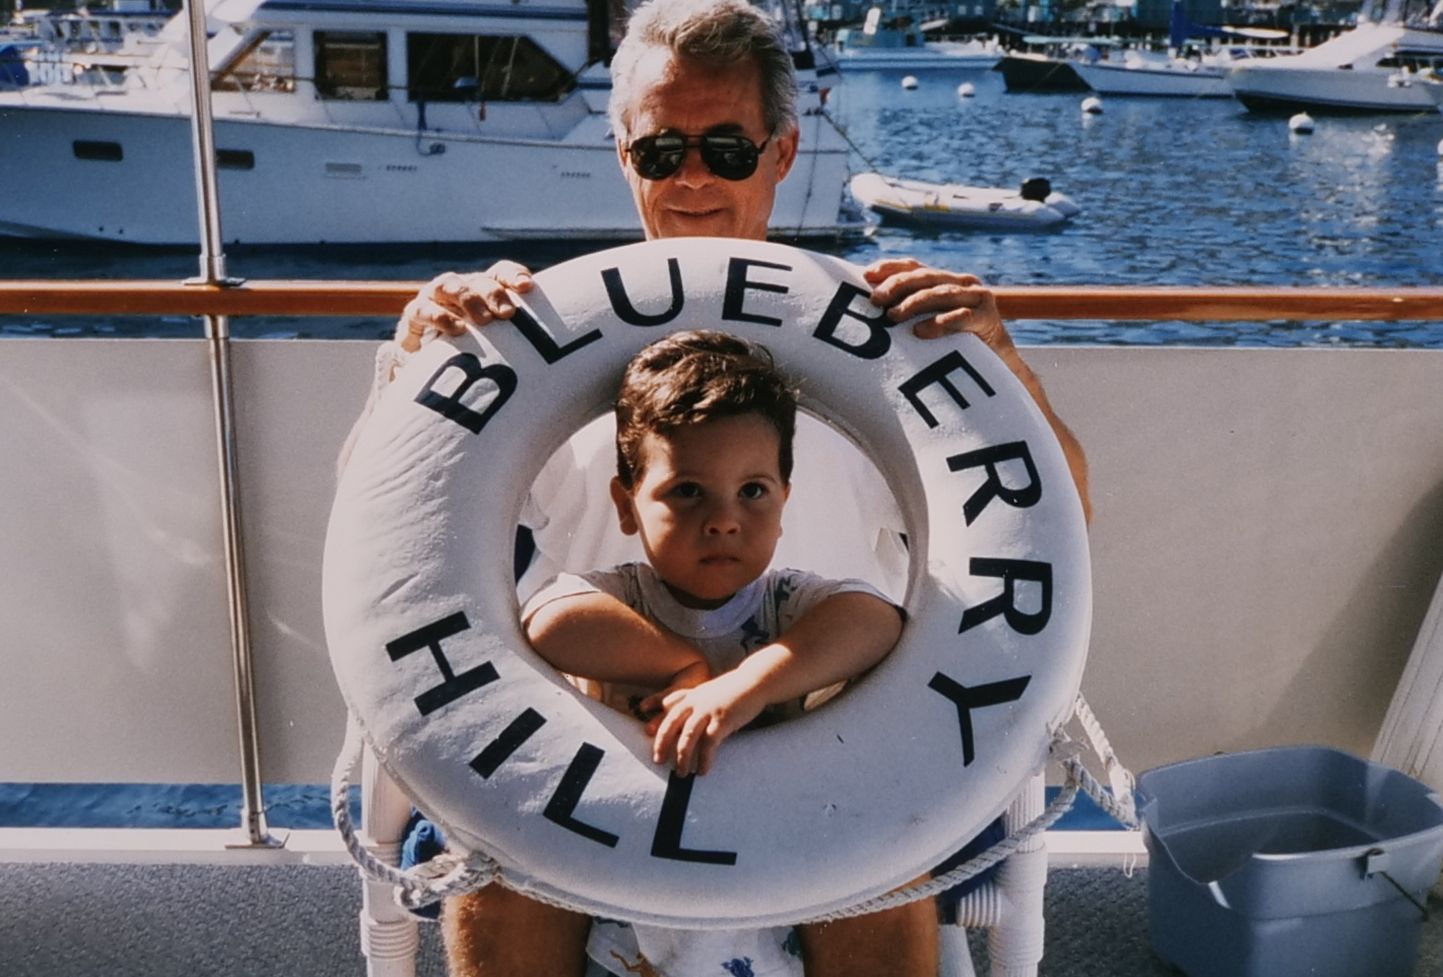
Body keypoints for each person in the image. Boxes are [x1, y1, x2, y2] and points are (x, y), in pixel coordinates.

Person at [366, 2, 1092, 974]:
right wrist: (414, 361)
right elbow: (391, 535)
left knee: (877, 866)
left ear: (781, 153)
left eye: (726, 148)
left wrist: (1001, 366)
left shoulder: (893, 344)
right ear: (624, 154)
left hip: (837, 742)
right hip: (596, 743)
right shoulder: (531, 341)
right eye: (662, 149)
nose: (694, 175)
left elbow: (1058, 525)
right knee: (494, 872)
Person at [520, 330, 904, 977]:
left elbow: (874, 620)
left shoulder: (788, 602)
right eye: (688, 491)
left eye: (752, 491)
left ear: (784, 504)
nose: (723, 519)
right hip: (630, 867)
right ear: (626, 506)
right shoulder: (623, 595)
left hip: (771, 865)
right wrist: (677, 665)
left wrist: (746, 685)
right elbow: (549, 620)